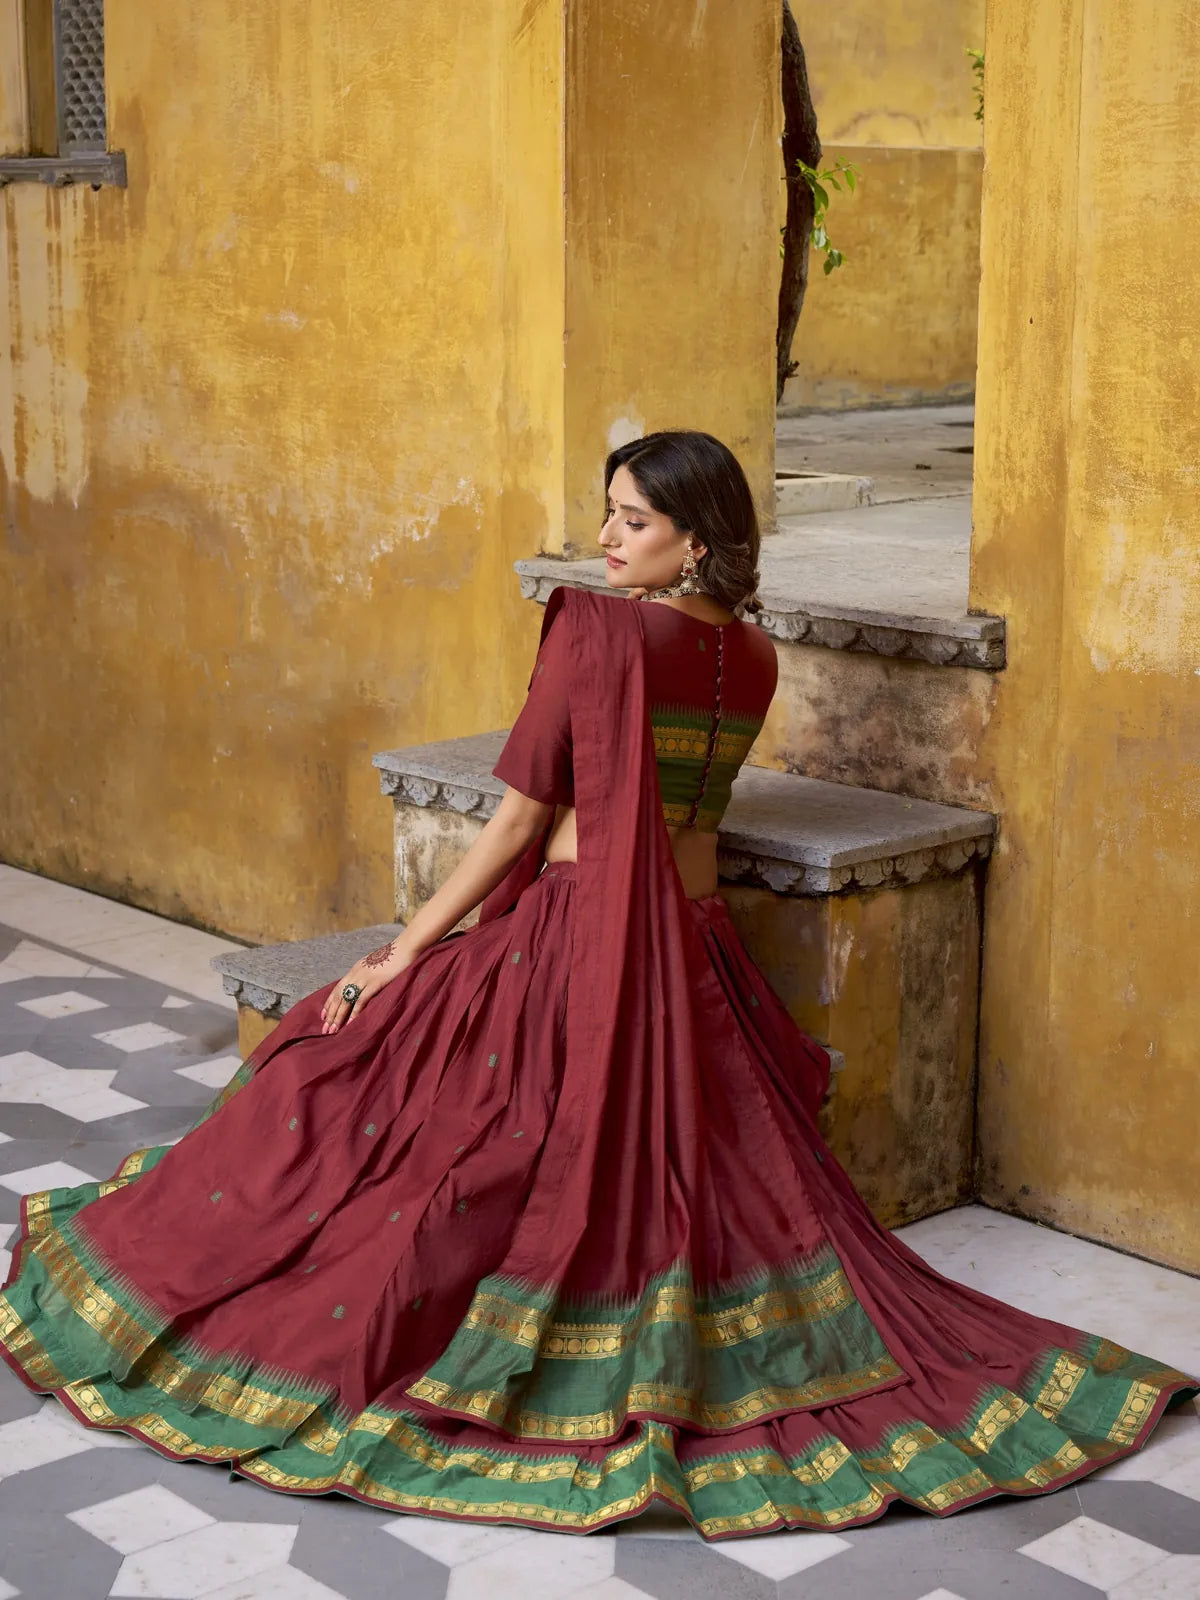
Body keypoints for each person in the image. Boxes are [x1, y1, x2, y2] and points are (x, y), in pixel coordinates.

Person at [1, 431, 1195, 1543]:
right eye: (608, 518)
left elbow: (521, 815)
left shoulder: (599, 632)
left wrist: (407, 945)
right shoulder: (757, 653)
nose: (609, 540)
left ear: (698, 541)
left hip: (581, 940)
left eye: (634, 521)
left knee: (334, 1073)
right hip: (694, 946)